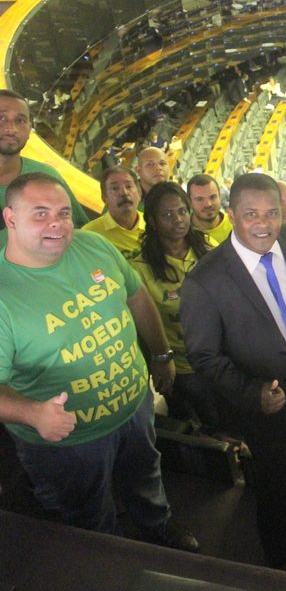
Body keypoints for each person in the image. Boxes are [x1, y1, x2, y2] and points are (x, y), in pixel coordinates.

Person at [0, 172, 197, 551]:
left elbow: (137, 297)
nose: (57, 223)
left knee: (145, 474)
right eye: (39, 214)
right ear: (10, 219)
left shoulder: (95, 246)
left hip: (134, 406)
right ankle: (107, 556)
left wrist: (160, 356)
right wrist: (33, 414)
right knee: (86, 512)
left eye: (62, 212)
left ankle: (157, 526)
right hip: (70, 440)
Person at [181, 173, 286, 570]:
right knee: (273, 483)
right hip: (266, 400)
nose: (263, 223)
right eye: (251, 214)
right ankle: (280, 556)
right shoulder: (204, 281)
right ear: (231, 215)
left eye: (272, 213)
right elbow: (204, 356)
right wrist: (254, 394)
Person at [132, 182, 221, 435]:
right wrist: (158, 361)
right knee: (189, 427)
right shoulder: (140, 267)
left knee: (224, 423)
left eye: (182, 211)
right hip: (178, 367)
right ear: (152, 220)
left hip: (217, 360)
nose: (178, 219)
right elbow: (142, 323)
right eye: (167, 214)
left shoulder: (207, 247)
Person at [0, 90, 88, 226]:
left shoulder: (47, 178)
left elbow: (80, 231)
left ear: (30, 129)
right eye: (1, 118)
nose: (11, 129)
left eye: (20, 120)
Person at [186, 174, 232, 244]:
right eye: (199, 199)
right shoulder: (183, 234)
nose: (208, 204)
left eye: (212, 197)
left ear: (220, 196)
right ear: (189, 202)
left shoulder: (235, 225)